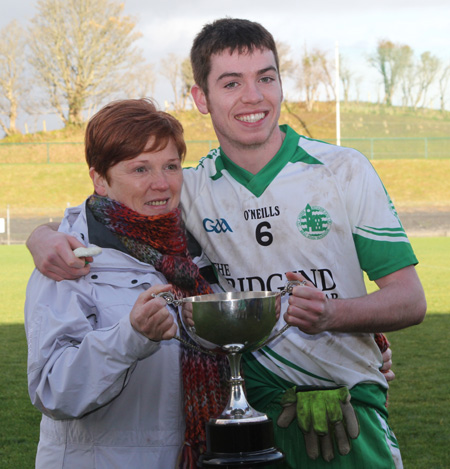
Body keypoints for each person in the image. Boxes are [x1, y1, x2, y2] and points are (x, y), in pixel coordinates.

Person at [26, 18, 425, 469]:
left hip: (346, 408)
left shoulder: (343, 169)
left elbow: (410, 300)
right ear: (201, 98)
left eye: (266, 78)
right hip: (241, 422)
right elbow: (101, 213)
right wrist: (39, 237)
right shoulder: (191, 189)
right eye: (231, 82)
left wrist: (337, 316)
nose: (253, 97)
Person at [24, 98, 228, 469]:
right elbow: (53, 392)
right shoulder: (67, 260)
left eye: (170, 165)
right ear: (100, 179)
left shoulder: (197, 254)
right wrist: (131, 337)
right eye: (140, 169)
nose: (161, 183)